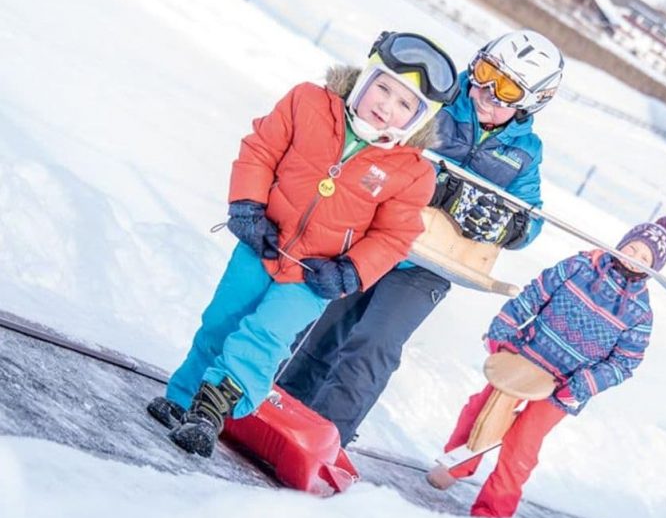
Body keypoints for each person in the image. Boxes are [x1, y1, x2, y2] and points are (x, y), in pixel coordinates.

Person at [146, 31, 459, 458]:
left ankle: (209, 414)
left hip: (314, 276)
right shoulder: (309, 102)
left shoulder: (411, 173)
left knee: (265, 336)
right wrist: (247, 207)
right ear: (365, 79)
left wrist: (351, 272)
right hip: (264, 243)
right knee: (221, 320)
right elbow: (260, 150)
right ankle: (182, 399)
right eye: (383, 87)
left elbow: (394, 236)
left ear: (419, 119)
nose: (386, 106)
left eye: (405, 104)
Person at [279, 29, 565, 446]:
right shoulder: (439, 102)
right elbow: (386, 137)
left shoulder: (523, 154)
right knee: (329, 323)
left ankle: (326, 434)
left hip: (429, 265)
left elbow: (531, 217)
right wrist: (435, 181)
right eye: (485, 71)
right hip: (376, 236)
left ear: (530, 102)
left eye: (504, 87)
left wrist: (508, 225)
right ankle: (283, 400)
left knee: (375, 343)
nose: (484, 89)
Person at [430, 215, 666, 518]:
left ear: (654, 269)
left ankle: (493, 510)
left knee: (523, 443)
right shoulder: (580, 266)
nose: (635, 258)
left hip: (564, 386)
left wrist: (582, 386)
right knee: (483, 410)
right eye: (634, 248)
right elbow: (535, 294)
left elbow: (624, 363)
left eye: (645, 258)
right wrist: (503, 329)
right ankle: (455, 465)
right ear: (622, 243)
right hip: (527, 357)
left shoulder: (640, 313)